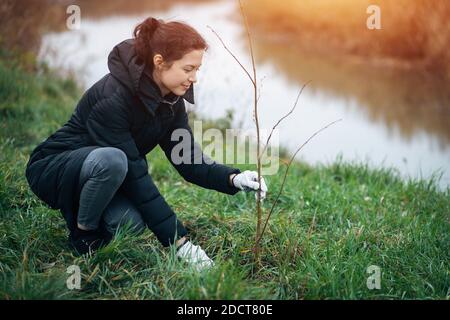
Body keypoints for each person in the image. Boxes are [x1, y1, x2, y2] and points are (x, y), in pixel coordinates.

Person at [25, 17, 267, 272]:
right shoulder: (113, 99)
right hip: (55, 168)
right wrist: (181, 244)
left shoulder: (171, 101)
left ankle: (86, 211)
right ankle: (82, 233)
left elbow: (189, 160)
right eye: (188, 69)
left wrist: (234, 179)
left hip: (102, 172)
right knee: (113, 160)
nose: (194, 78)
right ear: (159, 62)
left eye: (197, 69)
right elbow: (136, 177)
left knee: (131, 224)